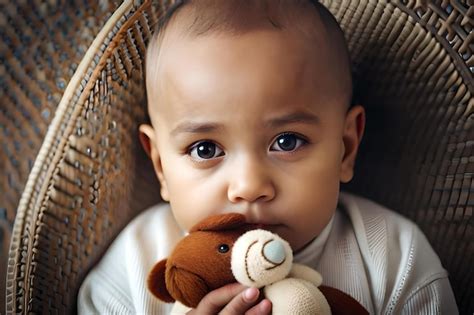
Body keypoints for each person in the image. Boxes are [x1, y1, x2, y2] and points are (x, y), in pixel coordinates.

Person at [78, 0, 458, 314]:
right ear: (161, 166)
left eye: (287, 141)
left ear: (346, 148)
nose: (249, 186)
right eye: (205, 149)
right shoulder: (134, 266)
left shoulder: (393, 258)